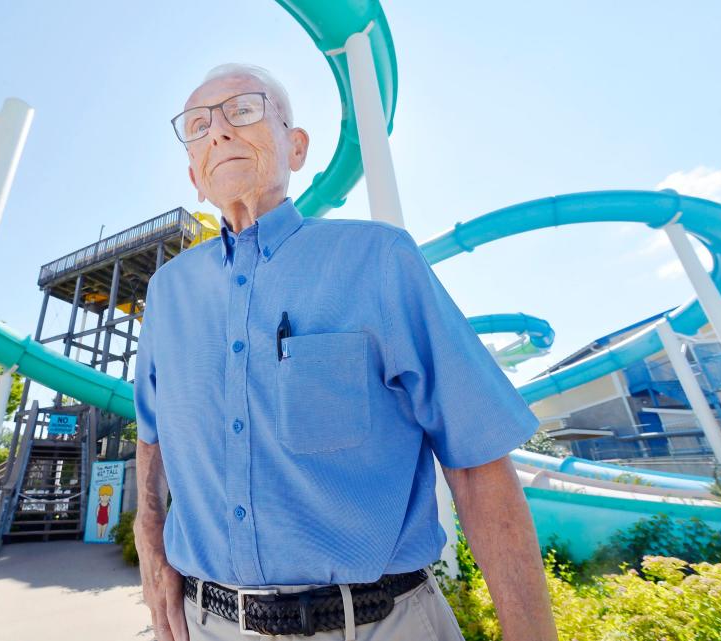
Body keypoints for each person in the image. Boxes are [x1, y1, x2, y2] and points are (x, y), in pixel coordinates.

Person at [132, 63, 558, 641]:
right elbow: (151, 434)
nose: (220, 131)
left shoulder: (381, 260)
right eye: (199, 123)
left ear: (297, 146)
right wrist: (150, 541)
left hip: (379, 625)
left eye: (244, 110)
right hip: (208, 627)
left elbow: (478, 462)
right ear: (193, 172)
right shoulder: (166, 292)